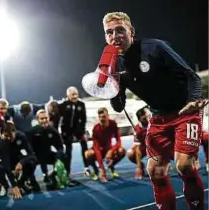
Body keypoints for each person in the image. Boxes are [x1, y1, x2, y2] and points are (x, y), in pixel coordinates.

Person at [102, 12, 208, 209]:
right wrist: (112, 83)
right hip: (158, 118)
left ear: (131, 32)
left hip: (184, 111)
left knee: (184, 165)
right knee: (154, 170)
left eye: (120, 30)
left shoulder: (155, 47)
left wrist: (193, 102)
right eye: (109, 32)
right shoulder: (114, 65)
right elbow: (118, 106)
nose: (114, 36)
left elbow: (192, 76)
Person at [0, 121, 40, 198]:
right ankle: (5, 186)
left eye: (10, 135)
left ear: (14, 131)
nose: (8, 138)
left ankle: (21, 184)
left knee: (32, 162)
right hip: (8, 162)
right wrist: (14, 186)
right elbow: (6, 164)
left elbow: (31, 154)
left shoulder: (21, 136)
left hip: (19, 160)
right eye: (6, 135)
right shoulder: (2, 142)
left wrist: (21, 162)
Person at [85, 107, 126, 182]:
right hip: (98, 151)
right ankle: (96, 170)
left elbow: (119, 141)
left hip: (108, 149)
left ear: (108, 116)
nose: (101, 119)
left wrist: (111, 151)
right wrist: (102, 167)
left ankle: (111, 166)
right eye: (99, 117)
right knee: (87, 154)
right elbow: (96, 148)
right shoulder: (95, 128)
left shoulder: (113, 124)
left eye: (103, 116)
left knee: (122, 150)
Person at [59, 86, 90, 177]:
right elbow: (57, 117)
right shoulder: (63, 105)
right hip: (67, 130)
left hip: (78, 129)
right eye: (72, 94)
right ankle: (67, 171)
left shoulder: (81, 104)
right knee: (68, 151)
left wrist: (83, 131)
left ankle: (87, 168)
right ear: (68, 95)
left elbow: (84, 119)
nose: (75, 96)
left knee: (84, 147)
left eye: (76, 94)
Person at [27, 109, 64, 183]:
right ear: (37, 119)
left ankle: (52, 175)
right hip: (35, 156)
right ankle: (31, 180)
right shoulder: (32, 131)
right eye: (42, 119)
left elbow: (60, 146)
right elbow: (27, 147)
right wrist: (31, 156)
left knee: (64, 157)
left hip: (48, 154)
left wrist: (59, 156)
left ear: (49, 118)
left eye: (46, 118)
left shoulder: (53, 131)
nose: (44, 120)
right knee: (28, 163)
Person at [127, 106, 151, 179]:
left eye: (147, 117)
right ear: (139, 119)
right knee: (130, 153)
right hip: (143, 147)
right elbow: (137, 148)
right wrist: (138, 166)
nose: (147, 119)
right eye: (144, 118)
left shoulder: (153, 123)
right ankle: (142, 166)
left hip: (154, 146)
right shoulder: (137, 129)